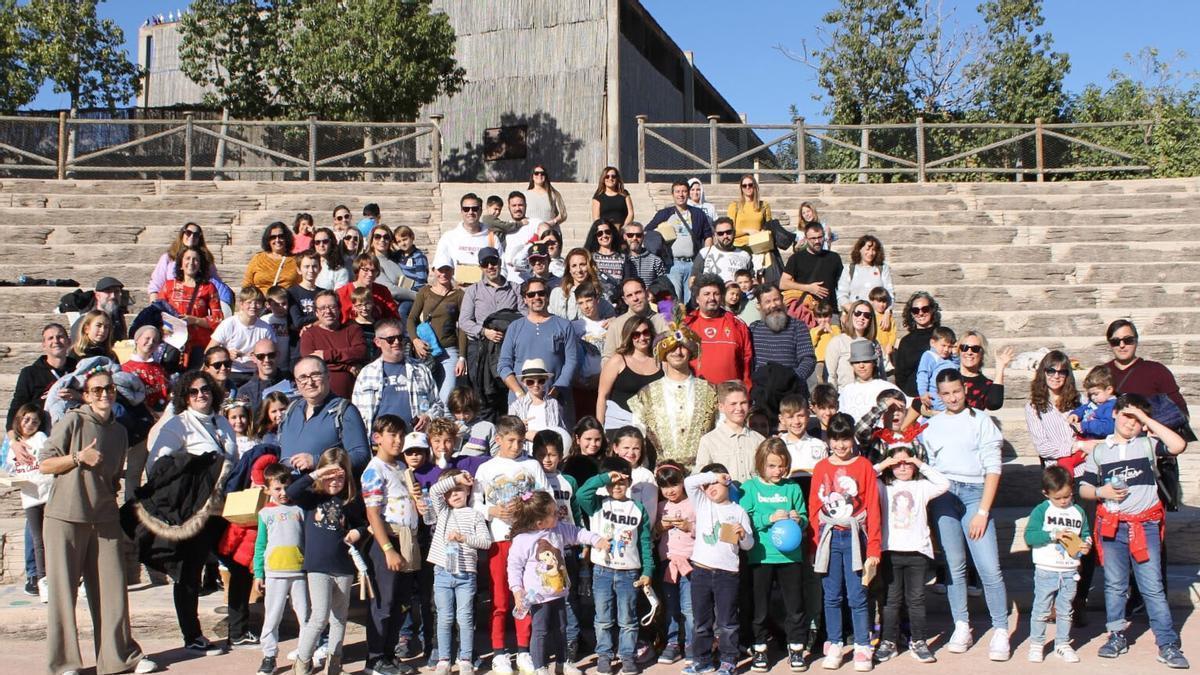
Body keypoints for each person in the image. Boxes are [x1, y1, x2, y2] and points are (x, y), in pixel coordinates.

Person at [39, 368, 157, 675]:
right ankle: (65, 663)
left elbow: (114, 476)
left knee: (113, 589)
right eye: (96, 390)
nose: (104, 395)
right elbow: (45, 463)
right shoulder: (73, 421)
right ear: (86, 395)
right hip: (64, 518)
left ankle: (120, 657)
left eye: (109, 390)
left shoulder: (119, 432)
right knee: (64, 594)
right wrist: (78, 458)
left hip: (104, 517)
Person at [1078, 393, 1189, 669]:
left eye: (1137, 418)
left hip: (1145, 525)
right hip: (1112, 526)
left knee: (1152, 586)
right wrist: (1100, 491)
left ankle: (1167, 642)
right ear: (1114, 414)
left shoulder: (1148, 444)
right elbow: (1083, 488)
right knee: (1114, 584)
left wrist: (1146, 419)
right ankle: (1116, 635)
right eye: (1127, 414)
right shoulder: (1100, 451)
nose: (1132, 422)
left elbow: (1178, 444)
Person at [920, 369, 1010, 661]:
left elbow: (993, 468)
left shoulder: (981, 421)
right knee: (954, 565)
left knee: (988, 566)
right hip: (944, 495)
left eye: (956, 391)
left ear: (964, 389)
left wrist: (983, 511)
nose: (952, 398)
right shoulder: (932, 425)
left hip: (975, 493)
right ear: (939, 394)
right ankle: (961, 624)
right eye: (945, 393)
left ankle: (1000, 628)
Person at [472, 416, 550, 675]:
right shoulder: (486, 468)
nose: (516, 446)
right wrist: (492, 509)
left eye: (520, 440)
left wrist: (527, 505)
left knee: (525, 595)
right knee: (500, 598)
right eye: (510, 440)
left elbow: (545, 496)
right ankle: (499, 652)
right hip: (499, 540)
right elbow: (473, 504)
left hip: (527, 540)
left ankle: (524, 650)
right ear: (498, 439)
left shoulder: (532, 465)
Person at [809, 413, 881, 672]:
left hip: (855, 538)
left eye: (845, 439)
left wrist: (873, 546)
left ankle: (863, 645)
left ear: (852, 439)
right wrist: (814, 544)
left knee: (858, 595)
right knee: (831, 595)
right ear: (828, 440)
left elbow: (872, 507)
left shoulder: (863, 466)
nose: (840, 445)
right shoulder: (821, 468)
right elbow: (814, 507)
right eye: (835, 439)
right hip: (829, 539)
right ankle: (835, 643)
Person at [287, 448, 368, 675]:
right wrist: (317, 473)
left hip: (343, 567)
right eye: (330, 476)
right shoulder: (312, 497)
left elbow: (361, 524)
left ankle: (335, 663)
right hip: (318, 567)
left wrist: (358, 533)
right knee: (319, 616)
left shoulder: (350, 500)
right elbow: (292, 491)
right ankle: (302, 662)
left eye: (340, 476)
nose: (335, 481)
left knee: (339, 618)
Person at [872, 438, 949, 664]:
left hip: (917, 552)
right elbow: (864, 478)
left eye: (907, 463)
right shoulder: (883, 486)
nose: (903, 467)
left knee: (916, 600)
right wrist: (885, 462)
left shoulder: (922, 486)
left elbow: (944, 484)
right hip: (891, 551)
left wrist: (919, 461)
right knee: (891, 600)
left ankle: (919, 641)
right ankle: (888, 641)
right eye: (898, 463)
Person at [577, 458, 654, 675]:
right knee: (602, 617)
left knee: (627, 618)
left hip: (629, 572)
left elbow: (645, 542)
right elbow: (582, 494)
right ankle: (604, 655)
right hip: (602, 570)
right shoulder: (598, 504)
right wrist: (604, 477)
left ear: (630, 482)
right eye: (613, 481)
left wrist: (648, 570)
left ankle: (627, 656)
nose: (617, 486)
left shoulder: (638, 508)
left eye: (622, 481)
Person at [360, 415, 424, 675]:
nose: (398, 441)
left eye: (401, 435)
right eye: (392, 435)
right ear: (377, 439)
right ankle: (374, 659)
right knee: (383, 604)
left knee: (401, 602)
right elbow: (373, 513)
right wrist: (387, 548)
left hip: (408, 539)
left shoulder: (400, 467)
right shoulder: (375, 469)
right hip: (388, 540)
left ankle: (388, 655)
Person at [740, 439, 808, 673]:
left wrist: (799, 520)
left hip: (790, 557)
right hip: (761, 556)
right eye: (771, 466)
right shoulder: (750, 488)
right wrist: (768, 519)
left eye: (781, 465)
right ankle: (760, 648)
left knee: (795, 606)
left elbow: (805, 517)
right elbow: (743, 521)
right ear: (760, 464)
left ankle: (796, 647)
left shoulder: (792, 488)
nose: (777, 471)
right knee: (760, 607)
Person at [684, 466, 754, 675]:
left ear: (727, 482)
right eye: (706, 485)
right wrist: (713, 477)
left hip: (727, 574)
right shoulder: (702, 503)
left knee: (727, 622)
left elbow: (749, 545)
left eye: (715, 483)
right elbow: (690, 482)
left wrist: (743, 535)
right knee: (701, 622)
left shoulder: (738, 511)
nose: (710, 487)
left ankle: (728, 660)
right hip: (701, 572)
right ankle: (702, 660)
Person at [1023, 465, 1092, 664]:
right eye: (1058, 498)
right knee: (1042, 608)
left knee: (1065, 609)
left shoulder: (1078, 511)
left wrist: (1086, 545)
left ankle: (1062, 643)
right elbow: (1030, 536)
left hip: (1070, 570)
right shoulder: (1042, 510)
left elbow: (1086, 534)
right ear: (1046, 494)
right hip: (1047, 569)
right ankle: (1037, 644)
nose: (1063, 501)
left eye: (1067, 496)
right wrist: (1053, 535)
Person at [428, 469, 493, 675]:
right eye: (450, 491)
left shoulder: (475, 515)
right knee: (445, 617)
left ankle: (465, 658)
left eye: (459, 490)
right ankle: (443, 658)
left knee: (464, 617)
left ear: (468, 491)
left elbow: (486, 542)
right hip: (442, 572)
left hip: (466, 574)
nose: (454, 494)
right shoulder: (443, 512)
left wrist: (464, 538)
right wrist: (455, 479)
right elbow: (434, 492)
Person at [628, 319, 718, 467]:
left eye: (682, 347)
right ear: (663, 352)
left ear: (690, 351)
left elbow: (719, 433)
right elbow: (638, 437)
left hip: (702, 473)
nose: (677, 352)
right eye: (672, 348)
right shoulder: (646, 394)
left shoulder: (710, 390)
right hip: (663, 476)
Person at [253, 463, 309, 675]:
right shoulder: (265, 514)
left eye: (286, 487)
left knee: (304, 616)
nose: (283, 493)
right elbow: (260, 545)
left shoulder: (300, 510)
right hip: (275, 572)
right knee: (272, 616)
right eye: (277, 488)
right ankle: (269, 656)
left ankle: (305, 655)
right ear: (268, 489)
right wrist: (258, 573)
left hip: (299, 571)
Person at [1104, 318, 1194, 441]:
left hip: (1151, 445)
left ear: (1136, 340)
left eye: (1128, 340)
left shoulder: (1157, 371)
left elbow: (1181, 412)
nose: (1122, 345)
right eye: (1115, 341)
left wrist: (1155, 429)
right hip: (1114, 447)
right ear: (1109, 344)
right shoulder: (1102, 373)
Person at [278, 356, 371, 472]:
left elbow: (361, 456)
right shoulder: (291, 410)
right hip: (288, 488)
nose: (310, 382)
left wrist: (317, 461)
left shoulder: (344, 411)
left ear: (328, 377)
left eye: (315, 375)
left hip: (323, 488)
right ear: (296, 382)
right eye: (302, 377)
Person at [498, 278, 579, 407]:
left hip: (557, 400)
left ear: (547, 296)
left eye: (541, 293)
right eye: (531, 294)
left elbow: (572, 361)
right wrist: (520, 394)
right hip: (521, 402)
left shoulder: (564, 325)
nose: (536, 297)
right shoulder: (514, 327)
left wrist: (556, 391)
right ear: (525, 299)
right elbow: (503, 365)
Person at [4, 403, 51, 602]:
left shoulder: (40, 438)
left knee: (52, 537)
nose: (30, 424)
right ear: (19, 420)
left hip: (47, 493)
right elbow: (9, 467)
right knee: (38, 540)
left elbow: (46, 457)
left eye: (35, 421)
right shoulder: (13, 444)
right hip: (30, 497)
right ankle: (42, 580)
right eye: (27, 420)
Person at [653, 462, 695, 666]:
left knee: (689, 607)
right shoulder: (661, 507)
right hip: (668, 563)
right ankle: (672, 644)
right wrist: (660, 527)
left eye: (674, 484)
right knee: (671, 606)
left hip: (689, 563)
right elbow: (652, 534)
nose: (670, 490)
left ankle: (692, 644)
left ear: (683, 482)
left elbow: (704, 531)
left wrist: (689, 526)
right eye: (664, 486)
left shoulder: (694, 503)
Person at [645, 180, 714, 304]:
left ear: (688, 194)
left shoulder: (698, 214)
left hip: (693, 264)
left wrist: (704, 257)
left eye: (684, 191)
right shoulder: (664, 213)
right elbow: (648, 232)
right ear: (673, 194)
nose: (681, 195)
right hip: (672, 265)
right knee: (674, 301)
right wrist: (661, 234)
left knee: (692, 302)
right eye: (677, 191)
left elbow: (708, 235)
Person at [408, 262, 467, 403]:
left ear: (452, 271)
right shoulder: (425, 292)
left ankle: (445, 424)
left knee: (447, 399)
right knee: (426, 397)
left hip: (449, 350)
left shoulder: (459, 295)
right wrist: (415, 340)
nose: (444, 274)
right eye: (440, 270)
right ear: (433, 271)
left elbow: (463, 326)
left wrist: (462, 357)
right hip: (427, 351)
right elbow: (411, 318)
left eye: (447, 270)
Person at [748, 284, 817, 398]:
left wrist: (791, 379)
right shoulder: (754, 329)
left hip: (793, 395)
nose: (773, 305)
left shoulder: (798, 326)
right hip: (763, 395)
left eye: (776, 300)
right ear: (759, 306)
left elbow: (808, 359)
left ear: (782, 299)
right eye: (768, 302)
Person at [160, 246, 224, 368]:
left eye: (196, 260)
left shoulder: (208, 287)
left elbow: (218, 319)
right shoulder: (168, 286)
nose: (191, 262)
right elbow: (157, 312)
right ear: (181, 264)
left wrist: (194, 320)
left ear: (200, 265)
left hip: (198, 344)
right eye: (187, 258)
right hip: (172, 341)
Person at [686, 274, 753, 390]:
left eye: (716, 294)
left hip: (730, 398)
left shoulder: (738, 325)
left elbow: (747, 363)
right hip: (696, 396)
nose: (712, 298)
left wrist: (746, 392)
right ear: (697, 298)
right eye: (706, 294)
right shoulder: (686, 325)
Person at [8, 323, 77, 436]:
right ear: (44, 345)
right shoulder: (30, 373)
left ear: (69, 342)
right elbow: (17, 406)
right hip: (40, 433)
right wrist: (13, 440)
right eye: (50, 338)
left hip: (73, 430)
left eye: (60, 337)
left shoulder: (79, 369)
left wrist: (77, 396)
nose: (56, 341)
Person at [596, 316, 662, 429]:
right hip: (619, 423)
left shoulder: (661, 361)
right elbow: (602, 396)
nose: (642, 338)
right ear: (629, 336)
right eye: (636, 334)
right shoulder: (617, 360)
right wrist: (600, 429)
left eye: (646, 332)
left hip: (653, 427)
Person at [694, 381, 765, 482]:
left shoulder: (759, 440)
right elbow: (699, 476)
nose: (739, 408)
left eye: (743, 403)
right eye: (733, 404)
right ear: (721, 407)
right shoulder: (709, 441)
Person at [1025, 351, 1085, 470]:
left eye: (1062, 372)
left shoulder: (1080, 400)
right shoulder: (1033, 407)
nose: (1056, 376)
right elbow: (1043, 447)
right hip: (1056, 472)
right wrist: (1078, 446)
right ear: (1044, 373)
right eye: (1051, 371)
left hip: (1085, 466)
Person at [148, 222, 233, 306]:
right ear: (182, 234)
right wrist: (154, 308)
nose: (192, 236)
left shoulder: (206, 259)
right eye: (188, 233)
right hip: (171, 306)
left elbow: (216, 283)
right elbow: (156, 285)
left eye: (196, 235)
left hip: (198, 307)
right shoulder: (169, 258)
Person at [209, 286, 274, 385]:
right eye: (249, 302)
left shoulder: (265, 328)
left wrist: (260, 356)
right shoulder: (229, 324)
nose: (253, 306)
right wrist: (227, 354)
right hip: (231, 371)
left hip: (255, 372)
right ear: (241, 304)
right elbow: (209, 351)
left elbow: (274, 352)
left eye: (257, 302)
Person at [435, 193, 504, 283]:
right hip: (457, 292)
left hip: (484, 293)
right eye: (466, 209)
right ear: (461, 211)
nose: (470, 212)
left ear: (480, 211)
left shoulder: (492, 238)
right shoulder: (448, 237)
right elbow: (439, 268)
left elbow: (503, 267)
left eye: (474, 209)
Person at [781, 222, 843, 315]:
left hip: (830, 312)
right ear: (806, 239)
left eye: (820, 237)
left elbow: (842, 284)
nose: (817, 241)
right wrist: (809, 288)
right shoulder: (796, 258)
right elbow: (783, 284)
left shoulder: (834, 257)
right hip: (806, 311)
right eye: (813, 238)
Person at [602, 277, 668, 362]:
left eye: (638, 293)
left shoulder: (664, 321)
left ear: (647, 294)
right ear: (625, 300)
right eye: (629, 295)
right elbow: (607, 358)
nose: (635, 298)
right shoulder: (616, 325)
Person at [824, 300, 885, 390]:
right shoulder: (838, 341)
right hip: (845, 395)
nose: (861, 317)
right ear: (851, 315)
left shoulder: (874, 343)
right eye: (857, 313)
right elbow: (830, 375)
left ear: (871, 320)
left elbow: (881, 373)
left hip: (871, 395)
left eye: (866, 315)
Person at [893, 292, 941, 397]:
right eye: (915, 310)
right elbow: (900, 375)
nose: (920, 313)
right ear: (911, 314)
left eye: (925, 309)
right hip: (913, 397)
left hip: (940, 396)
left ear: (932, 309)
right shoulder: (906, 341)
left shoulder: (941, 336)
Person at [838, 339, 896, 423]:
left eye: (866, 361)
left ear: (874, 363)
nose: (861, 366)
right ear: (852, 365)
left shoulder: (887, 387)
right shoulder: (847, 390)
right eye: (857, 362)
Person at [551, 248, 614, 321]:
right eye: (574, 266)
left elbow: (611, 318)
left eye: (582, 264)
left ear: (590, 267)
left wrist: (612, 320)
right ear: (569, 270)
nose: (579, 270)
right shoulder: (557, 294)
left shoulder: (601, 294)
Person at [509, 358, 566, 438]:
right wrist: (521, 431)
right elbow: (509, 434)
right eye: (530, 382)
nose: (536, 385)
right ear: (524, 383)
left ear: (546, 381)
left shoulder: (554, 404)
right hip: (526, 449)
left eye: (540, 381)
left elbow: (562, 431)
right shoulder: (516, 406)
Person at [957, 331, 1013, 411]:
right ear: (959, 350)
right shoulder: (949, 376)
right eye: (964, 348)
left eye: (975, 349)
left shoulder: (986, 384)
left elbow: (994, 404)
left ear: (982, 353)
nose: (969, 352)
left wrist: (1000, 368)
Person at [835, 235, 894, 311]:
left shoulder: (882, 268)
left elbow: (890, 293)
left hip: (877, 316)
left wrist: (887, 311)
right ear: (860, 249)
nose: (871, 253)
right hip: (856, 316)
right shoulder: (849, 269)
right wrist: (853, 311)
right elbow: (842, 294)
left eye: (874, 250)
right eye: (868, 249)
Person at [690, 217, 752, 290]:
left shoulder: (745, 255)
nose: (725, 236)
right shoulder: (704, 252)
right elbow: (693, 280)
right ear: (715, 235)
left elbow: (752, 280)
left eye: (728, 232)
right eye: (720, 233)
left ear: (734, 232)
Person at [337, 254, 400, 323]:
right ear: (357, 270)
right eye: (365, 270)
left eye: (373, 270)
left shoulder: (383, 291)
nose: (370, 274)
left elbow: (394, 317)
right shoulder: (342, 293)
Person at [237, 338, 295, 411]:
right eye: (261, 356)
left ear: (278, 355)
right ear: (254, 358)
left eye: (271, 355)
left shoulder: (292, 384)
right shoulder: (245, 392)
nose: (266, 360)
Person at [243, 222, 300, 293]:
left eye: (281, 236)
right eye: (273, 237)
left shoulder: (295, 260)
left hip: (285, 302)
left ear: (286, 238)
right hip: (261, 302)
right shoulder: (258, 258)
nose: (277, 240)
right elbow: (247, 285)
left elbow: (301, 285)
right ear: (268, 240)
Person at [916, 326, 960, 413]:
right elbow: (922, 374)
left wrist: (955, 355)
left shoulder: (950, 359)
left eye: (950, 346)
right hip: (935, 396)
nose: (946, 349)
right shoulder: (930, 356)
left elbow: (957, 367)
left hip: (950, 394)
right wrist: (923, 392)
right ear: (932, 343)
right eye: (943, 345)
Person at [584, 218, 627, 301]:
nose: (604, 236)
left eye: (607, 232)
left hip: (618, 302)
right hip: (597, 302)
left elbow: (626, 282)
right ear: (595, 236)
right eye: (600, 233)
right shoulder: (590, 258)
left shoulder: (623, 257)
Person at [1070, 366, 1118, 440]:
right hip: (1084, 437)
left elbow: (1108, 427)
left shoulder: (1111, 406)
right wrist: (1075, 414)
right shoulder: (1096, 402)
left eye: (1096, 394)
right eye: (1090, 394)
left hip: (1098, 443)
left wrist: (1084, 426)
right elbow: (1084, 408)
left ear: (1109, 390)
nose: (1092, 397)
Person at [621, 221, 667, 290]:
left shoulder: (655, 260)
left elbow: (664, 285)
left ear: (643, 236)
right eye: (630, 235)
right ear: (625, 236)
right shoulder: (620, 259)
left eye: (638, 235)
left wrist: (653, 293)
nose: (634, 238)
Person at [312, 227, 351, 291]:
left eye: (325, 241)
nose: (321, 245)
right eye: (317, 242)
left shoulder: (340, 270)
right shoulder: (307, 264)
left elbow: (339, 296)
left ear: (331, 243)